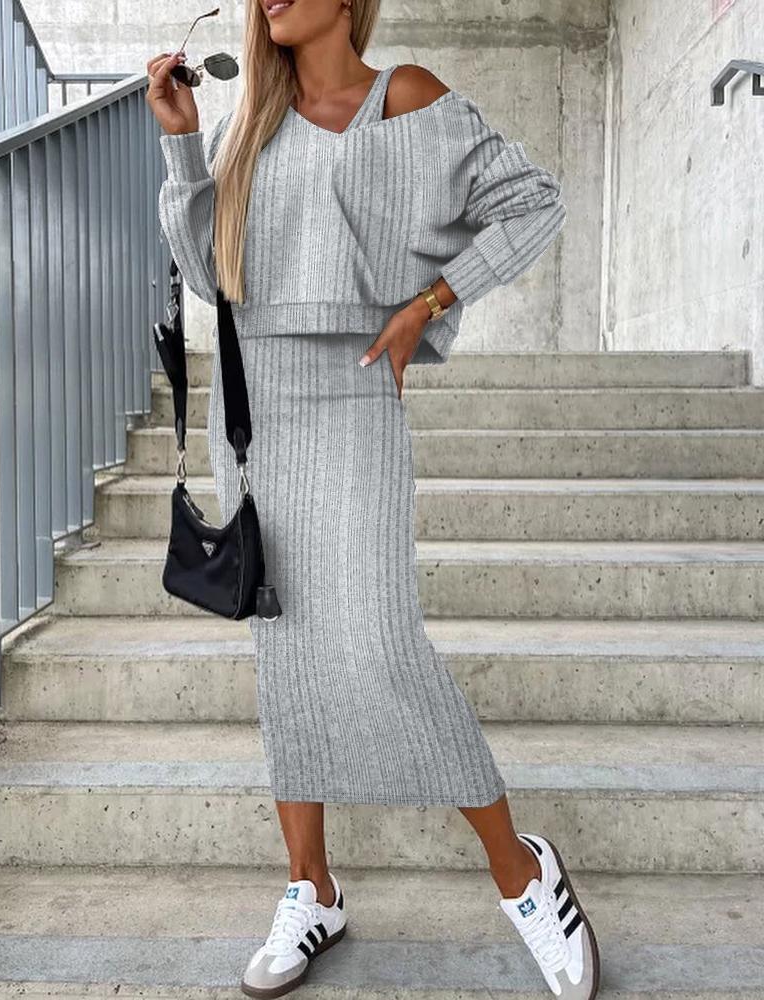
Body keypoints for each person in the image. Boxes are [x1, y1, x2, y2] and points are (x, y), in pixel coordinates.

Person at [146, 2, 599, 997]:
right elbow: (209, 278)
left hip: (351, 390)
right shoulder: (245, 127)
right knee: (286, 652)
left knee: (383, 646)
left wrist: (431, 301)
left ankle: (521, 873)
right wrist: (183, 146)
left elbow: (534, 203)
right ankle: (311, 887)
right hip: (254, 411)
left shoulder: (406, 99)